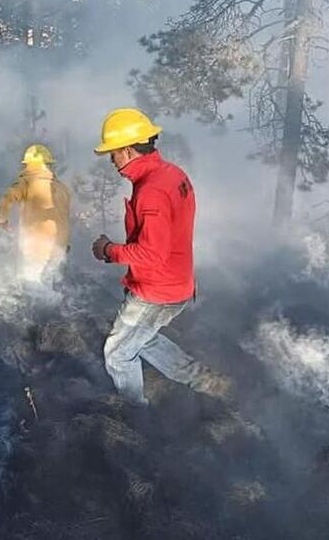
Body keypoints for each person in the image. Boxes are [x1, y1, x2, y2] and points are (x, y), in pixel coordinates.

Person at [90, 108, 230, 405]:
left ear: (127, 150)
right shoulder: (172, 174)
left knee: (117, 353)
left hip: (156, 290)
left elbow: (151, 253)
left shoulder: (151, 190)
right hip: (177, 283)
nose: (111, 160)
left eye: (112, 153)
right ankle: (202, 379)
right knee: (143, 338)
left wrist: (108, 250)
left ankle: (134, 416)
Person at [0, 144, 72, 284]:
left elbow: (7, 198)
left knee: (31, 286)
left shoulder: (27, 182)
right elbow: (64, 217)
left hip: (36, 244)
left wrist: (1, 219)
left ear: (28, 165)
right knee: (50, 285)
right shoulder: (63, 188)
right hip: (59, 246)